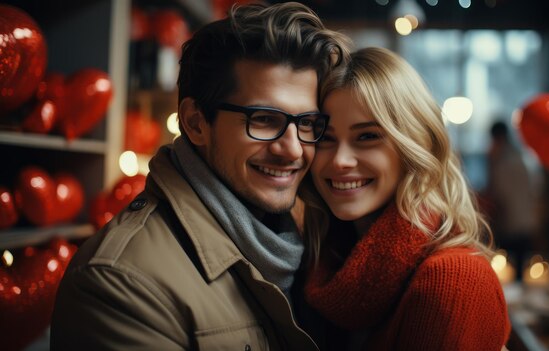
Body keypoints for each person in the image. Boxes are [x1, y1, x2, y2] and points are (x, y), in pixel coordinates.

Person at [50, 3, 350, 350]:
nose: (294, 150)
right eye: (265, 119)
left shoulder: (308, 245)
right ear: (195, 123)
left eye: (307, 123)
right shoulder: (118, 283)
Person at [299, 47, 511, 350]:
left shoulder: (454, 278)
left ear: (413, 146)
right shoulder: (323, 263)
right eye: (325, 139)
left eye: (367, 136)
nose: (341, 160)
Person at [484, 120, 537, 278]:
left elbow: (498, 196)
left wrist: (491, 164)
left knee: (511, 271)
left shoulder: (503, 162)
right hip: (526, 222)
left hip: (510, 224)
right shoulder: (519, 158)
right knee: (522, 271)